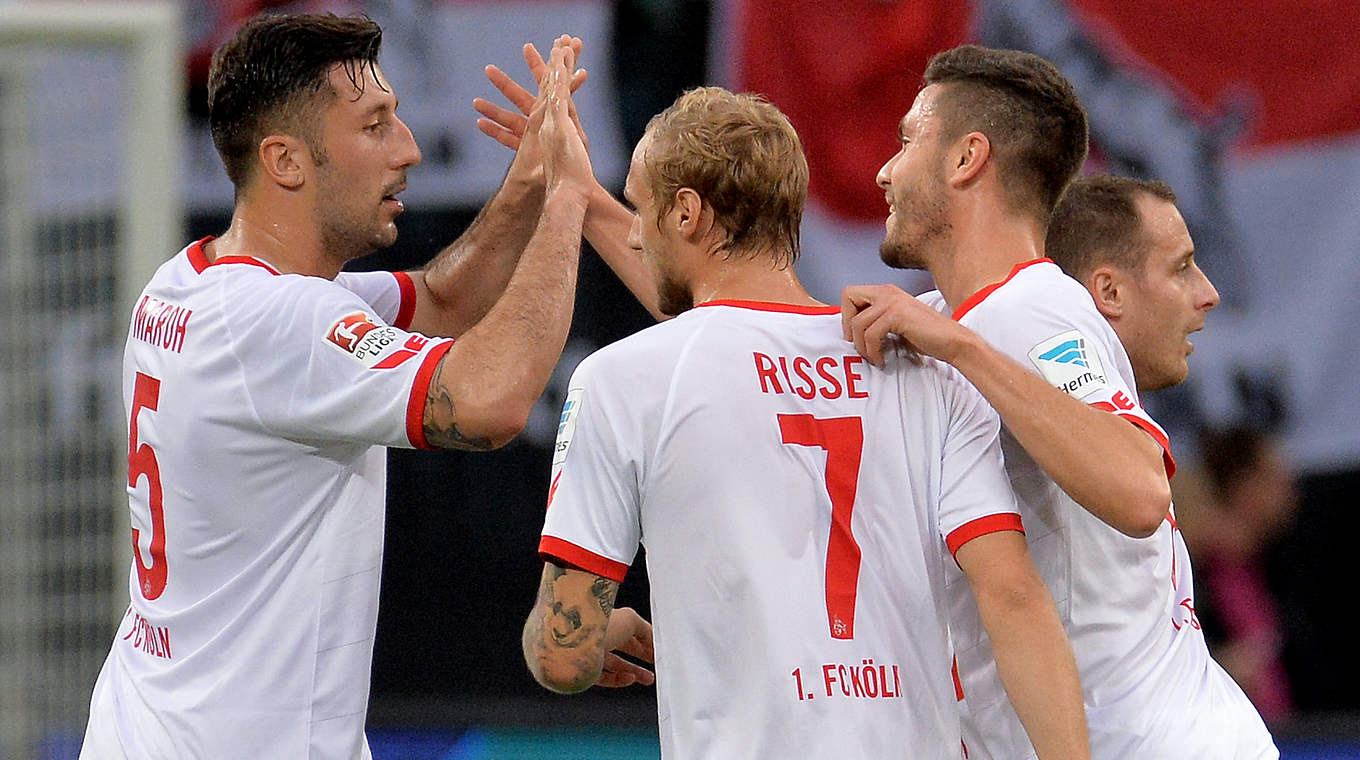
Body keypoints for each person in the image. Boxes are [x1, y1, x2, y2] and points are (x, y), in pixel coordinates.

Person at [80, 14, 603, 760]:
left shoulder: (189, 283)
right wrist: (569, 199)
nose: (409, 149)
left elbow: (441, 302)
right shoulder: (278, 323)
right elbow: (490, 402)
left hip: (152, 729)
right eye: (375, 125)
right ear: (287, 160)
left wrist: (528, 183)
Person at [518, 86, 1088, 759]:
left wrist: (580, 638)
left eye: (640, 210)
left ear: (688, 213)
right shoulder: (924, 372)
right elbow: (1014, 596)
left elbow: (563, 657)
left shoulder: (621, 380)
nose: (634, 235)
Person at [842, 46, 1277, 755]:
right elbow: (738, 325)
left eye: (907, 140)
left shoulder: (1034, 308)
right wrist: (598, 210)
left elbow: (1139, 492)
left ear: (965, 159)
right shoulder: (949, 321)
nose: (887, 170)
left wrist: (961, 347)